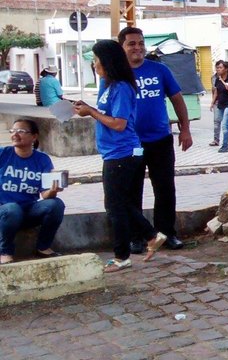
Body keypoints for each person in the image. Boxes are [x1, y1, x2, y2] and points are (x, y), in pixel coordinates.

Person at [74, 40, 166, 273]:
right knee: (119, 203)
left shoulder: (123, 88)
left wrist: (91, 112)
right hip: (114, 153)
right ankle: (151, 236)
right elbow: (107, 115)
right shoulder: (109, 85)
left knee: (115, 207)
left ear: (108, 62)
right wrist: (87, 109)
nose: (94, 65)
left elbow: (119, 124)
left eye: (96, 60)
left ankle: (122, 255)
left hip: (122, 153)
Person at [119, 26, 190, 252]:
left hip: (160, 140)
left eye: (140, 43)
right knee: (132, 191)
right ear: (122, 47)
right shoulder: (116, 74)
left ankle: (167, 234)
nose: (137, 47)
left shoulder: (160, 70)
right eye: (132, 43)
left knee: (165, 188)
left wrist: (185, 129)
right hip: (130, 143)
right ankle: (136, 237)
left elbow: (177, 99)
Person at [0, 119, 65, 264]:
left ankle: (43, 247)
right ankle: (5, 251)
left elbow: (44, 194)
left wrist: (53, 190)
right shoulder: (3, 154)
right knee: (12, 208)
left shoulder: (42, 159)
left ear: (34, 137)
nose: (15, 134)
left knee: (56, 204)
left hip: (28, 210)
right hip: (5, 211)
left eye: (21, 131)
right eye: (13, 131)